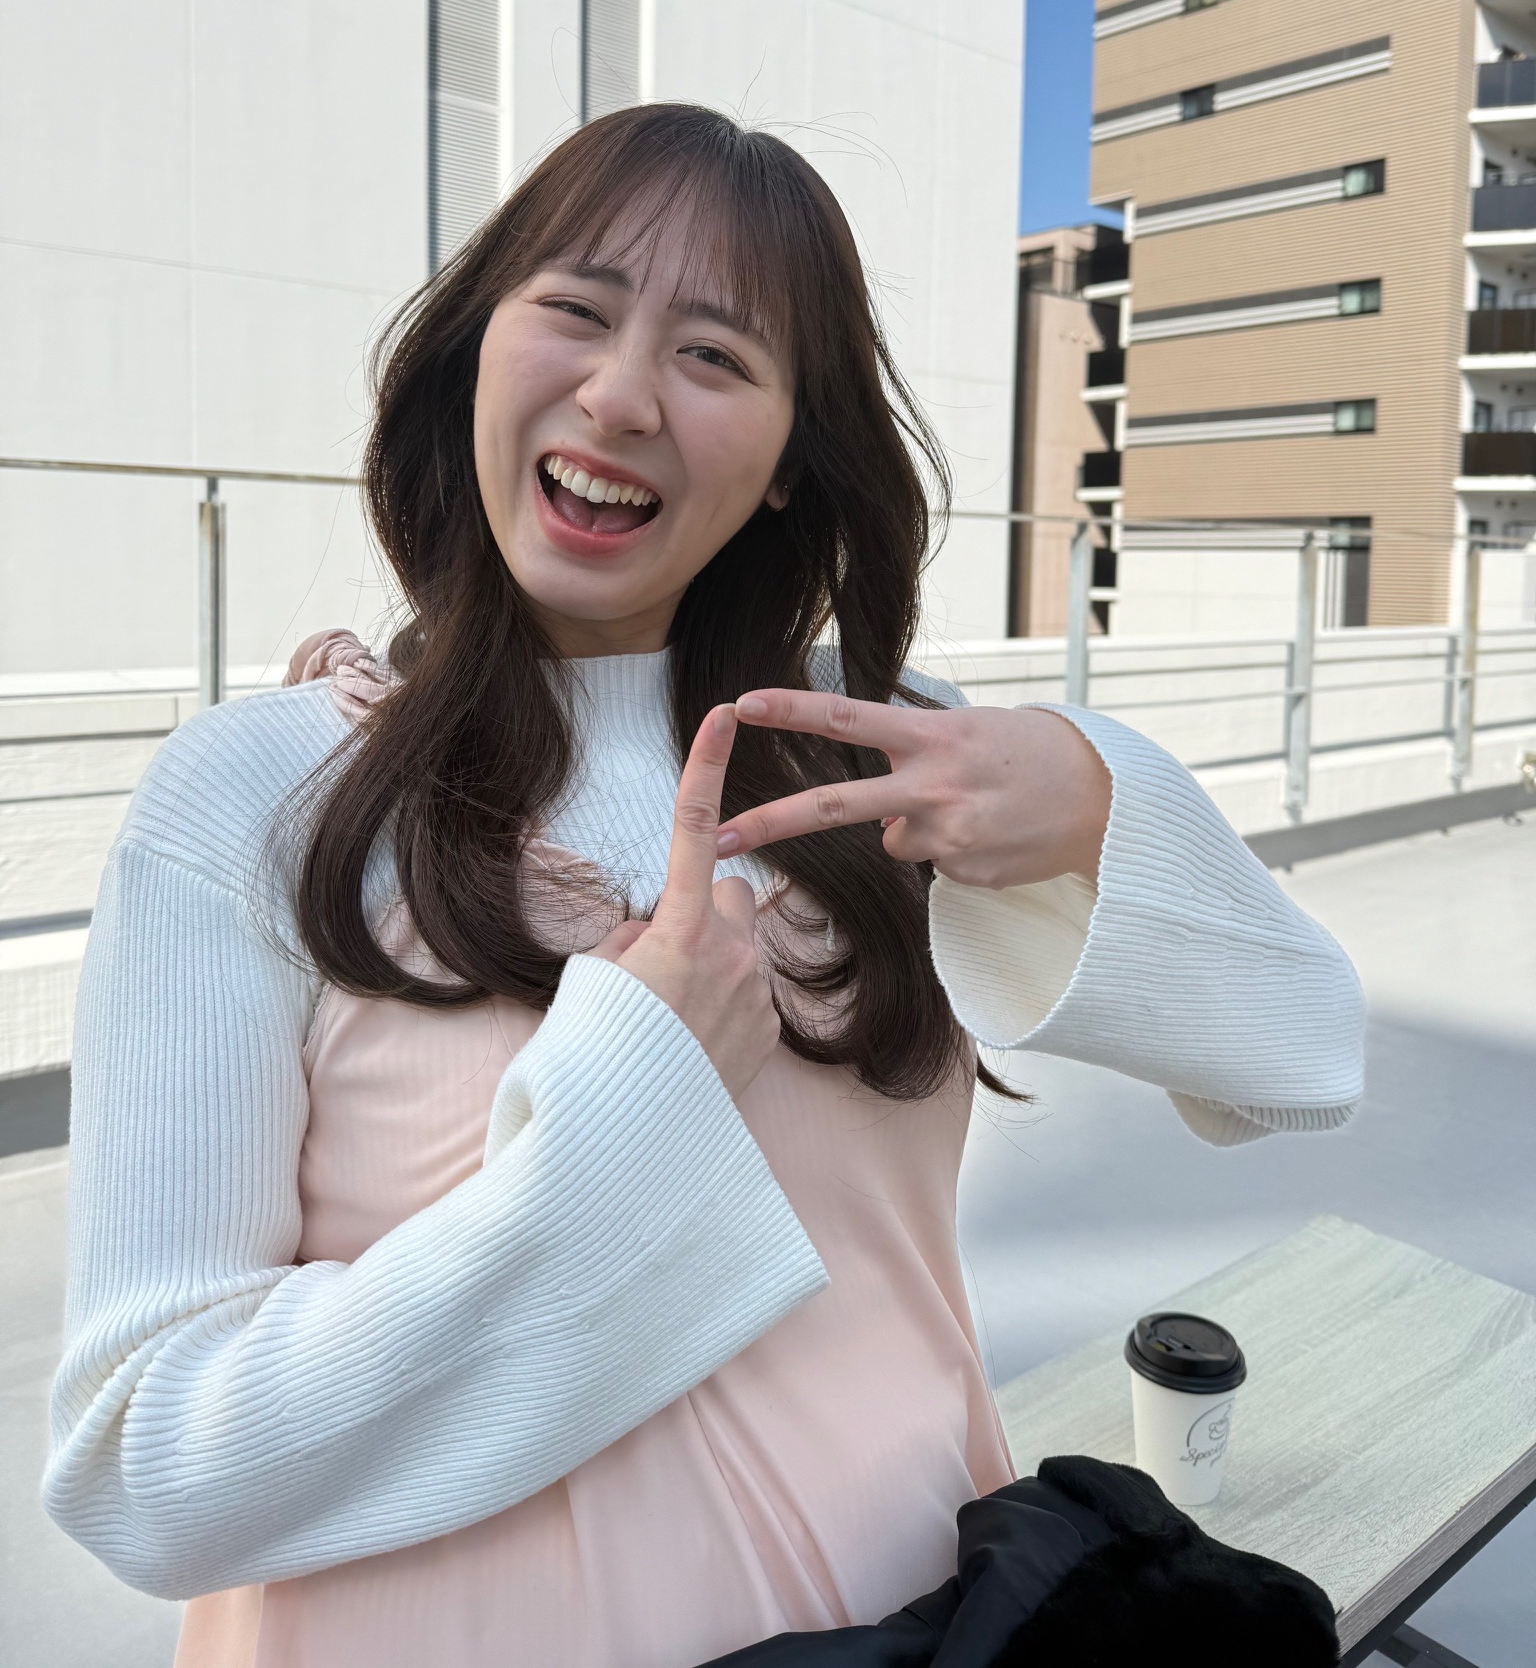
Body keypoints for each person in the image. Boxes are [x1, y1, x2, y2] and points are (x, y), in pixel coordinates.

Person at [44, 106, 1364, 1668]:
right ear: (477, 350)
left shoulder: (883, 758)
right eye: (576, 308)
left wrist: (1097, 805)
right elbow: (147, 1469)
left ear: (797, 461)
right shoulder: (259, 791)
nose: (621, 397)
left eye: (715, 356)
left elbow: (1301, 1059)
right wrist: (639, 1098)